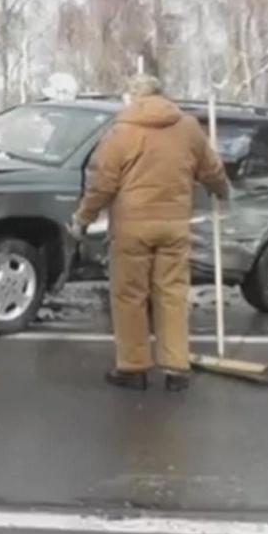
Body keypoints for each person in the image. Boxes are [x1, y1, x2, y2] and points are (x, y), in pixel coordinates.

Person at [71, 74, 229, 393]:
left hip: (131, 228)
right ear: (161, 96)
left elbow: (102, 185)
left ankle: (133, 367)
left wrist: (82, 218)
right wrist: (221, 190)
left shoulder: (120, 133)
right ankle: (176, 367)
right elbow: (211, 170)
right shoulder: (188, 128)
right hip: (173, 226)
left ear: (133, 97)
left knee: (130, 296)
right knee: (171, 295)